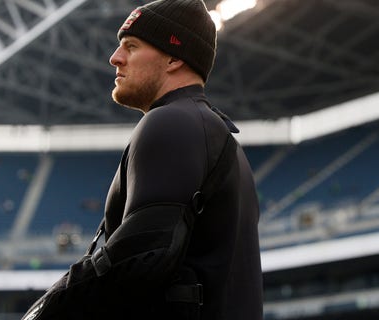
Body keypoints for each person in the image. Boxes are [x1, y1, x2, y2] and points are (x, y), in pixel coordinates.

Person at [22, 0, 263, 319]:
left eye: (131, 46)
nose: (114, 58)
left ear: (175, 57)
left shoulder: (173, 121)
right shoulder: (219, 139)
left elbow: (143, 253)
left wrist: (48, 309)